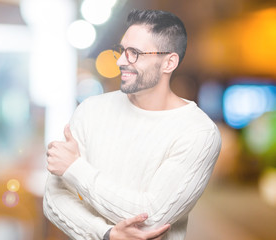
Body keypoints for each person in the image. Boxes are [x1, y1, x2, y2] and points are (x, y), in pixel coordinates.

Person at [43, 9, 222, 240]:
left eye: (134, 53)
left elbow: (151, 217)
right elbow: (53, 198)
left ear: (169, 62)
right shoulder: (91, 111)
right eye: (122, 50)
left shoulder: (198, 132)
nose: (120, 61)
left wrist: (74, 168)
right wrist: (105, 234)